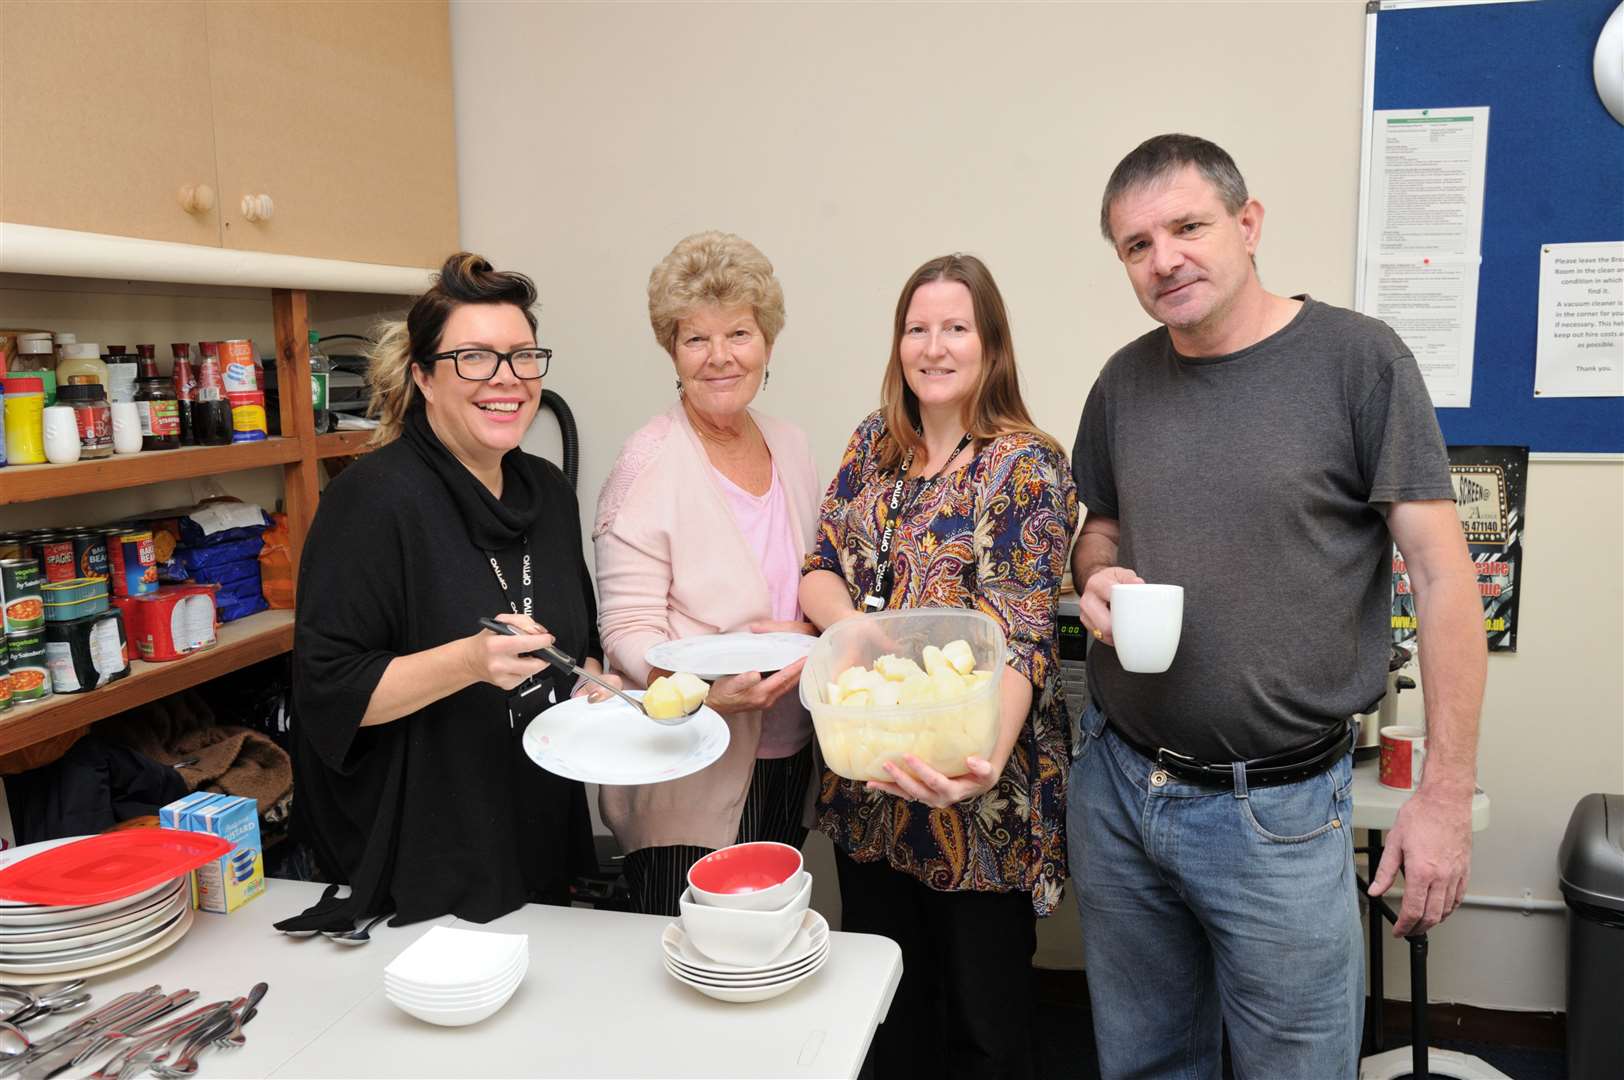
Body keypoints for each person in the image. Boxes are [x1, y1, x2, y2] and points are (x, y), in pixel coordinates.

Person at [1069, 134, 1486, 1079]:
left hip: (1281, 816)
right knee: (1143, 1062)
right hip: (1119, 787)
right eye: (1136, 244)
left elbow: (1443, 574)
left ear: (1248, 224)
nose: (1163, 258)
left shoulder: (1358, 361)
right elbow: (1101, 525)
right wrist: (1096, 572)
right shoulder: (1123, 381)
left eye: (1187, 226)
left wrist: (1444, 797)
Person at [800, 254, 1077, 1080]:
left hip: (978, 799)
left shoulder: (1025, 465)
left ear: (990, 345)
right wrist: (862, 637)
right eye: (916, 328)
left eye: (956, 327)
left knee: (983, 1031)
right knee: (889, 1015)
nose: (934, 345)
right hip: (869, 787)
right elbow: (817, 570)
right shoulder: (871, 449)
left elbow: (1023, 631)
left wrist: (979, 758)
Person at [284, 253, 616, 931]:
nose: (507, 380)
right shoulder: (374, 502)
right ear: (423, 377)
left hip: (534, 824)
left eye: (523, 357)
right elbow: (328, 693)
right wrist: (468, 663)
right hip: (428, 856)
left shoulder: (547, 492)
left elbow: (578, 640)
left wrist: (592, 679)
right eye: (474, 358)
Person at [594, 231, 822, 916]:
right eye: (696, 339)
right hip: (692, 762)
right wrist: (702, 691)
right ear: (673, 352)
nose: (720, 357)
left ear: (768, 344)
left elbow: (811, 582)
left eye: (739, 334)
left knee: (763, 944)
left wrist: (812, 629)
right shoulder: (647, 463)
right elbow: (625, 629)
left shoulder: (793, 445)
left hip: (791, 753)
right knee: (688, 953)